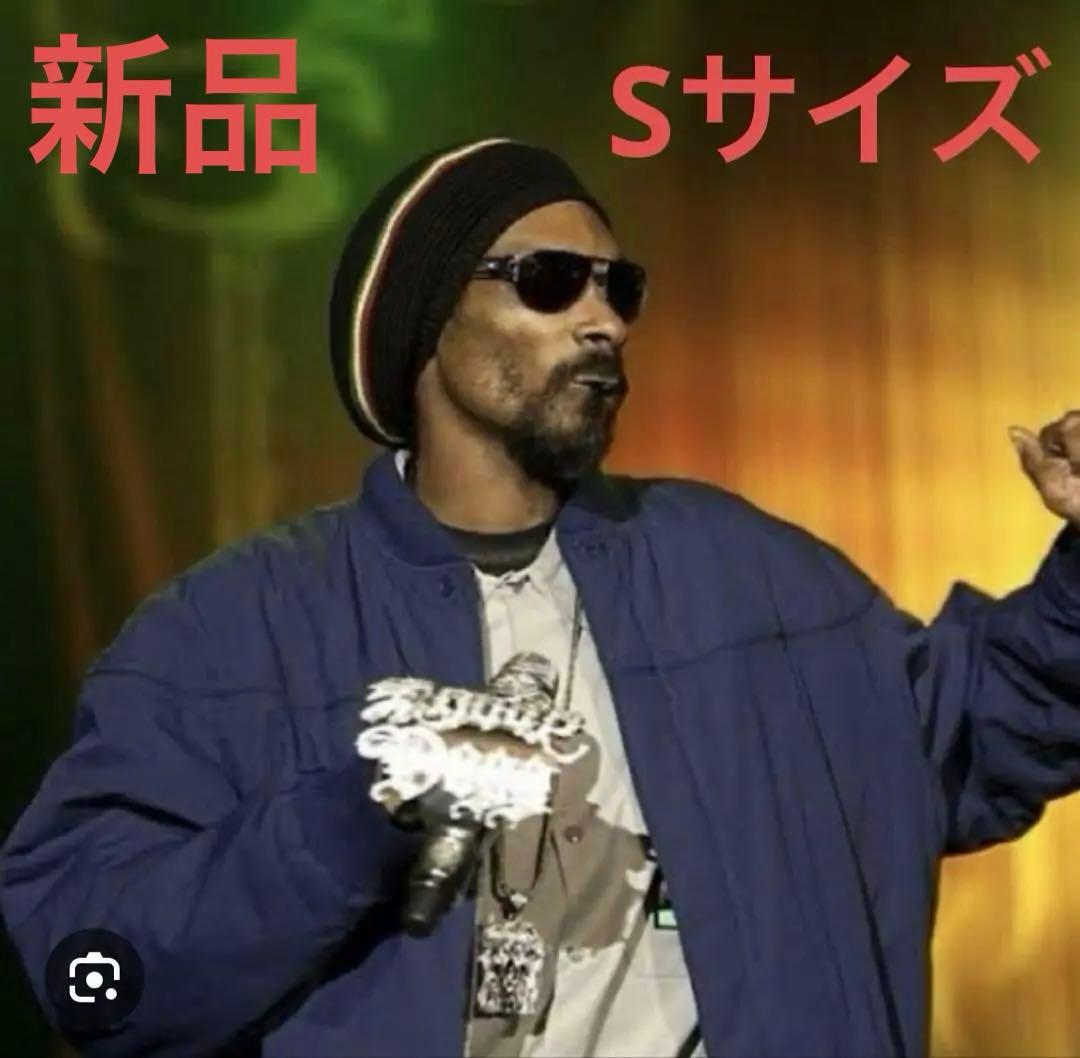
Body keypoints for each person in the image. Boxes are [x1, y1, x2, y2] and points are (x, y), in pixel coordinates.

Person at [3, 137, 1080, 1058]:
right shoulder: (231, 629)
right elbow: (95, 974)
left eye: (621, 288)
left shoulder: (742, 569)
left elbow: (981, 730)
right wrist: (346, 821)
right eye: (551, 280)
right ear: (427, 315)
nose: (603, 319)